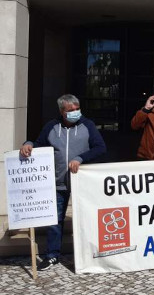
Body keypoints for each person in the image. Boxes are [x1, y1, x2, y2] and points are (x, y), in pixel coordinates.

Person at [19, 94, 106, 271]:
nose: (76, 113)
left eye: (77, 109)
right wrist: (28, 144)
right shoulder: (51, 126)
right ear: (61, 111)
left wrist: (81, 158)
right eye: (71, 110)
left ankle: (89, 255)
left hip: (82, 183)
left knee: (86, 219)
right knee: (55, 221)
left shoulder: (87, 125)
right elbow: (38, 143)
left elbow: (100, 148)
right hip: (58, 182)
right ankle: (52, 256)